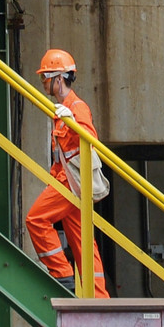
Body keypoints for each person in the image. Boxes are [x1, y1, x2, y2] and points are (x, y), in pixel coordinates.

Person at [27, 48, 96, 290]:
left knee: (35, 220)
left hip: (71, 183)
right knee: (82, 243)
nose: (43, 83)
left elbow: (91, 142)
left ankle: (62, 274)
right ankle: (100, 299)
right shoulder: (62, 111)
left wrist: (74, 122)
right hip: (67, 182)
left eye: (45, 78)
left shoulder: (76, 108)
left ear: (59, 79)